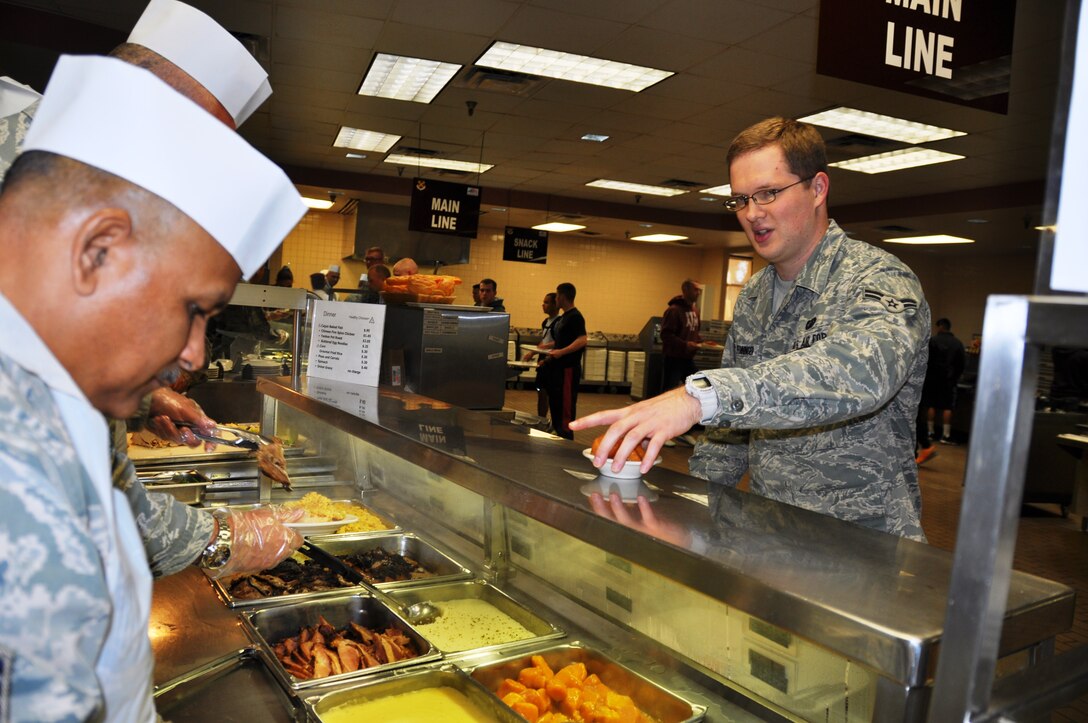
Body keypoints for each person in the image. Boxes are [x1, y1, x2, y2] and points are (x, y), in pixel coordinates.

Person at [0, 54, 306, 722]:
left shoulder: (54, 397)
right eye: (192, 308)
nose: (191, 353)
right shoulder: (23, 468)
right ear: (96, 248)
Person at [572, 117, 930, 540]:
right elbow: (731, 433)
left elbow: (864, 373)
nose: (752, 213)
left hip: (861, 543)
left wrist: (700, 398)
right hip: (769, 536)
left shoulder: (878, 279)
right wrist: (689, 508)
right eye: (740, 200)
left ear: (817, 188)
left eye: (768, 193)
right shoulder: (756, 294)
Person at [540, 282, 587, 439]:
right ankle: (558, 433)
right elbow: (561, 342)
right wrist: (546, 356)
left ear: (563, 297)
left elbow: (582, 340)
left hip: (568, 369)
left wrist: (562, 352)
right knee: (556, 404)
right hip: (557, 369)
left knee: (566, 408)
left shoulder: (575, 316)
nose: (556, 299)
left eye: (557, 295)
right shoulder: (564, 318)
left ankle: (566, 438)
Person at [918, 318, 966, 455]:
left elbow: (925, 361)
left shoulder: (932, 341)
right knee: (947, 407)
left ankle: (930, 432)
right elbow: (961, 364)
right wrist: (954, 377)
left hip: (931, 380)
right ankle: (946, 435)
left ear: (940, 327)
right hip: (949, 381)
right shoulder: (957, 344)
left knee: (930, 405)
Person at [522, 292, 560, 419]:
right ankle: (541, 418)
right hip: (542, 358)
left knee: (548, 392)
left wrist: (545, 350)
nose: (543, 305)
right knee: (540, 390)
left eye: (547, 302)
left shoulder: (559, 323)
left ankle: (546, 420)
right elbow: (544, 340)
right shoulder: (546, 322)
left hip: (552, 360)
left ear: (556, 304)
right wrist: (533, 352)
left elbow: (559, 342)